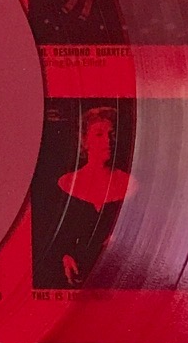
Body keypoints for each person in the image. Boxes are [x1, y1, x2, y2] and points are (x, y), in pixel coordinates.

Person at [49, 106, 135, 287]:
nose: (108, 141)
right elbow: (57, 239)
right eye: (99, 134)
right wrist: (65, 258)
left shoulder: (131, 184)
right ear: (84, 141)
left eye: (111, 134)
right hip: (74, 279)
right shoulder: (65, 183)